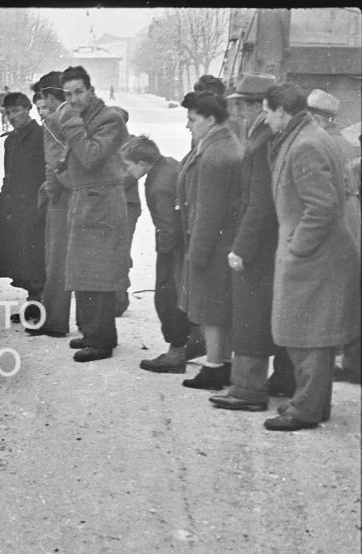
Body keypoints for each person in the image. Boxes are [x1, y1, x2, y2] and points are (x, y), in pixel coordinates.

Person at [261, 82, 360, 430]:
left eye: (267, 111)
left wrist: (296, 247)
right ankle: (314, 404)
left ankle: (306, 409)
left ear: (282, 112)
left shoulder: (304, 145)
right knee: (312, 332)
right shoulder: (310, 135)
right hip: (322, 254)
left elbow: (321, 207)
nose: (266, 117)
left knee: (309, 336)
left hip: (315, 256)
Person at [207, 74, 295, 411]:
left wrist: (241, 247)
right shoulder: (266, 135)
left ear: (259, 105)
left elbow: (259, 203)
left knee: (250, 316)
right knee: (263, 314)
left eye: (243, 104)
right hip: (271, 241)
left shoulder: (261, 141)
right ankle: (275, 382)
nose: (238, 110)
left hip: (257, 245)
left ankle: (248, 389)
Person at [55, 65, 131, 362]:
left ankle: (102, 340)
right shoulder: (86, 117)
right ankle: (90, 332)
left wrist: (71, 124)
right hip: (86, 200)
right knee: (83, 270)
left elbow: (90, 156)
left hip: (103, 203)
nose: (74, 99)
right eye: (69, 94)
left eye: (79, 92)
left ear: (91, 91)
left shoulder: (109, 118)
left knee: (99, 271)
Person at [177, 91, 243, 390]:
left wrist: (197, 253)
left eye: (193, 119)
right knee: (220, 306)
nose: (188, 126)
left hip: (214, 243)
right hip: (224, 241)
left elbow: (209, 210)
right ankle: (223, 363)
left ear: (211, 119)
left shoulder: (216, 154)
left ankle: (215, 367)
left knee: (211, 308)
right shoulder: (221, 144)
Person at [123, 136, 193, 373]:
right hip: (186, 243)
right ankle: (189, 344)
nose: (126, 171)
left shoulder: (157, 186)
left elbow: (168, 227)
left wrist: (163, 254)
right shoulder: (169, 164)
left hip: (173, 248)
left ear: (143, 163)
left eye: (128, 165)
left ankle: (176, 354)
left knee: (166, 297)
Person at [308, 88, 362, 385]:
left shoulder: (326, 143)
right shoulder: (343, 142)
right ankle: (352, 360)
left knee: (343, 291)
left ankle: (350, 361)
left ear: (319, 118)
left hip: (342, 215)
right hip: (350, 212)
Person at [27, 72, 72, 338]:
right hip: (84, 197)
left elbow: (55, 164)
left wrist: (51, 191)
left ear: (49, 95)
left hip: (62, 199)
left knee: (56, 259)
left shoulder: (54, 121)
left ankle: (55, 320)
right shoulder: (81, 116)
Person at [0, 91, 46, 321]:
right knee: (20, 257)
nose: (12, 116)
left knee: (35, 256)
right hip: (15, 205)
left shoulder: (41, 136)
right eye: (8, 112)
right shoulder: (11, 140)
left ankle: (40, 305)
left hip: (35, 204)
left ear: (28, 110)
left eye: (17, 111)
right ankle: (33, 301)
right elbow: (8, 174)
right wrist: (3, 200)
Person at [112, 106, 140, 317]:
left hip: (127, 204)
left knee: (121, 250)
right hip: (108, 204)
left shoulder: (133, 144)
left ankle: (119, 299)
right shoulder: (102, 142)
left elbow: (134, 174)